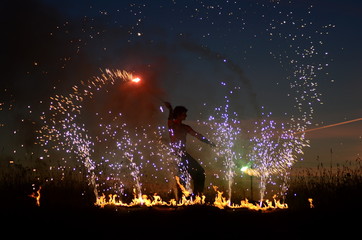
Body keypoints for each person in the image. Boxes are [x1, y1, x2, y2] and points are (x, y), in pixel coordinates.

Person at [164, 101, 215, 198]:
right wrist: (170, 109)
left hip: (182, 154)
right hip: (177, 155)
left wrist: (208, 142)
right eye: (184, 114)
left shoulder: (185, 127)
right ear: (179, 115)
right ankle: (190, 197)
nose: (186, 116)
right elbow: (170, 121)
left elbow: (197, 135)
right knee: (188, 175)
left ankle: (195, 196)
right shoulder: (173, 126)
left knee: (196, 173)